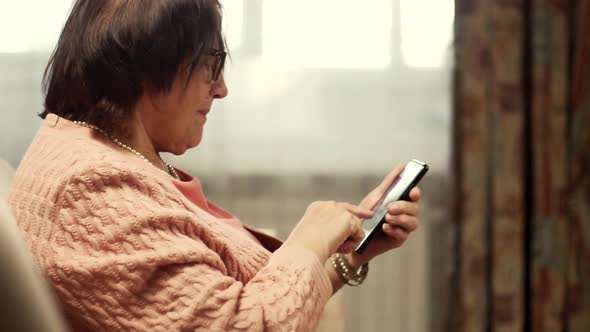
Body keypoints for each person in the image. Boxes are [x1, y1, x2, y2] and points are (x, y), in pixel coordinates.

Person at [7, 0, 422, 331]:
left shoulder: (98, 153)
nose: (221, 89)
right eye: (212, 64)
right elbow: (245, 323)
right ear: (153, 65)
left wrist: (349, 256)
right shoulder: (93, 191)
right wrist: (309, 239)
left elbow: (243, 303)